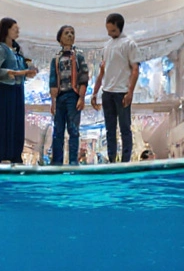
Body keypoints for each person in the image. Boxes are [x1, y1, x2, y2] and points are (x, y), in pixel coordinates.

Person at [91, 12, 140, 162]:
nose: (109, 33)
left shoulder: (129, 44)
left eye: (113, 30)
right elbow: (102, 71)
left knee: (125, 127)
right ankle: (112, 159)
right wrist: (94, 93)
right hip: (107, 92)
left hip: (122, 91)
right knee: (109, 129)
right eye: (108, 30)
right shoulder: (107, 46)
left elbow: (135, 69)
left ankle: (126, 160)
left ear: (120, 28)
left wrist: (130, 91)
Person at [0, 17, 34, 163]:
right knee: (5, 121)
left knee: (17, 122)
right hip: (6, 90)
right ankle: (2, 154)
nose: (18, 31)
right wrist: (16, 73)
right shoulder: (0, 49)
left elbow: (21, 72)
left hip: (18, 89)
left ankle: (15, 154)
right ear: (6, 30)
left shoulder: (16, 51)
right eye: (15, 28)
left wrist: (28, 72)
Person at [48, 25, 88, 165]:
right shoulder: (56, 59)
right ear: (60, 38)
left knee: (73, 129)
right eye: (66, 33)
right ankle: (56, 161)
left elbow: (83, 77)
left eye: (72, 33)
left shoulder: (79, 56)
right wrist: (53, 102)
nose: (70, 35)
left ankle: (73, 161)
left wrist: (81, 97)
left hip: (73, 95)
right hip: (60, 97)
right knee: (58, 130)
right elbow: (53, 81)